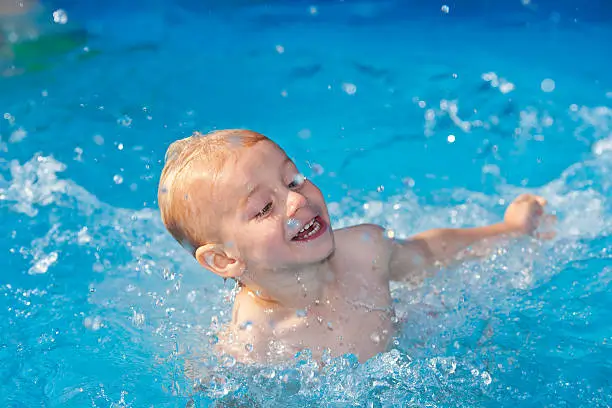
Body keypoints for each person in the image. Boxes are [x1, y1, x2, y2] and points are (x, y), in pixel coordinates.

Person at [158, 129, 553, 364]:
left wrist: (508, 228)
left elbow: (430, 252)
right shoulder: (256, 342)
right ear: (224, 259)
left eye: (293, 180)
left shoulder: (365, 251)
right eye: (264, 208)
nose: (297, 200)